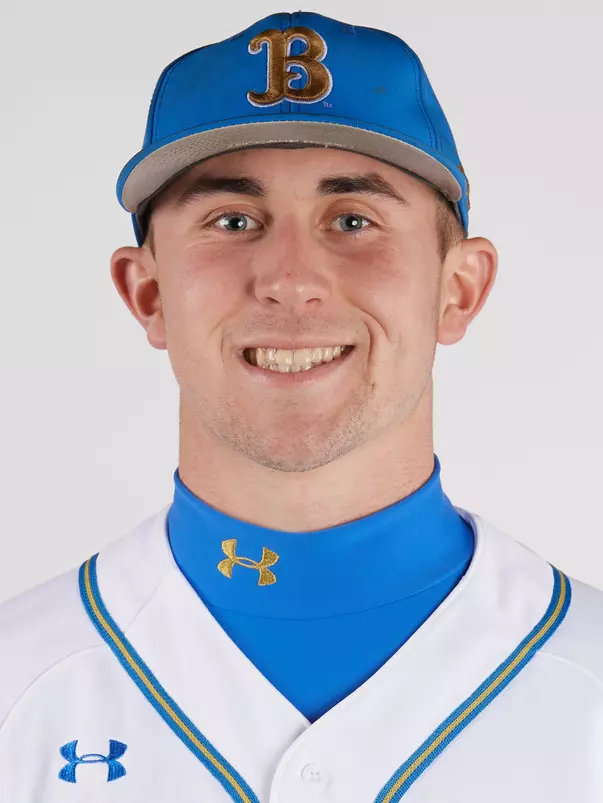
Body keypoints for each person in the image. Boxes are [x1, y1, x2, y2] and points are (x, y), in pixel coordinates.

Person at [1, 10, 602, 802]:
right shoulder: (19, 685)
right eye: (233, 220)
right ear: (146, 291)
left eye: (354, 220)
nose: (289, 277)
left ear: (457, 289)